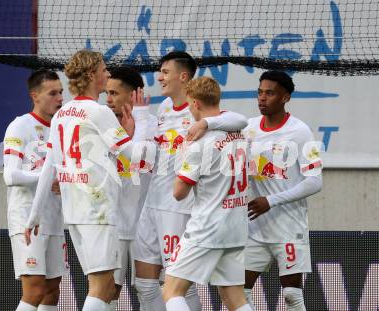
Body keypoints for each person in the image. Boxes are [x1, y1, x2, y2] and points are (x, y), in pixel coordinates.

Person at [24, 50, 154, 311]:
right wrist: (148, 128)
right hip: (98, 211)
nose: (108, 74)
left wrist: (34, 215)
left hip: (74, 212)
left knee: (105, 288)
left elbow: (51, 164)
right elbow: (133, 154)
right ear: (93, 74)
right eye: (104, 69)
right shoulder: (98, 111)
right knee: (101, 286)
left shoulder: (62, 114)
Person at [133, 51, 248, 311]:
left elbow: (239, 120)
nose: (159, 77)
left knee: (175, 286)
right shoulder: (162, 108)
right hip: (153, 202)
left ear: (183, 76)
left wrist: (207, 122)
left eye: (165, 72)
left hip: (178, 207)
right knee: (145, 282)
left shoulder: (200, 110)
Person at [163, 76, 253, 311]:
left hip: (208, 227)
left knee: (171, 290)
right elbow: (240, 120)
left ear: (195, 103)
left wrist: (182, 156)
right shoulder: (239, 134)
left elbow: (178, 193)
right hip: (235, 226)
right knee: (234, 298)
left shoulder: (199, 144)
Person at [243, 70, 323, 311]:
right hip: (255, 226)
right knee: (238, 291)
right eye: (259, 93)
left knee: (291, 294)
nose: (262, 98)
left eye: (269, 93)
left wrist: (271, 200)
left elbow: (314, 181)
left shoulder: (301, 132)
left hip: (288, 227)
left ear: (285, 97)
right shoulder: (248, 127)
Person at [3, 69, 68, 311]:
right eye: (53, 93)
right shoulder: (20, 126)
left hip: (54, 218)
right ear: (35, 96)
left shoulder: (62, 130)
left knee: (52, 290)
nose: (60, 98)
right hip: (27, 218)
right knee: (35, 289)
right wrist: (45, 176)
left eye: (61, 92)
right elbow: (10, 175)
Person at [106, 66, 157, 310]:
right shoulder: (102, 126)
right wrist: (123, 140)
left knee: (147, 290)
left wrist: (132, 137)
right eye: (107, 93)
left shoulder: (154, 126)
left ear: (134, 94)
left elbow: (141, 164)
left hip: (145, 225)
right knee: (108, 290)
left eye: (114, 93)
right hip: (112, 223)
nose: (108, 100)